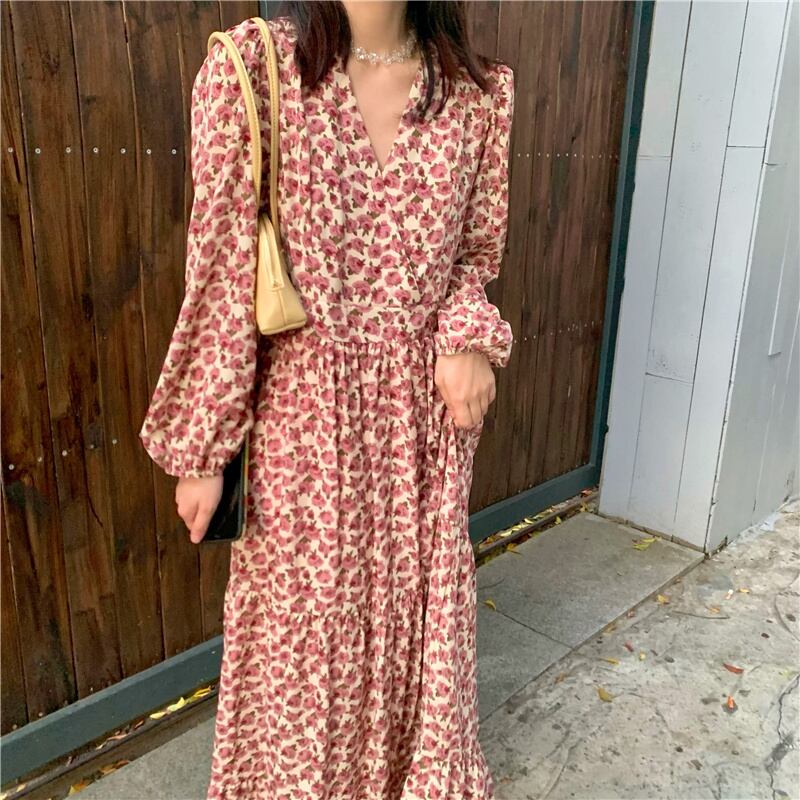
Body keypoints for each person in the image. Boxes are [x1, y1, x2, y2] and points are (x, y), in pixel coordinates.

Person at [138, 1, 515, 797]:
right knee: (307, 656)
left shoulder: (476, 98)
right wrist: (204, 449)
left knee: (409, 635)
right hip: (302, 433)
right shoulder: (255, 73)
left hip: (420, 439)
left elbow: (474, 259)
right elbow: (221, 274)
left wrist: (466, 333)